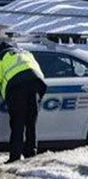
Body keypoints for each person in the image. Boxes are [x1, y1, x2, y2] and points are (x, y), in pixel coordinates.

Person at [0, 29, 47, 164]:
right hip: (36, 84)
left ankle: (15, 157)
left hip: (17, 88)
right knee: (31, 122)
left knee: (18, 122)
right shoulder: (25, 52)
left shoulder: (2, 57)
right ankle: (31, 154)